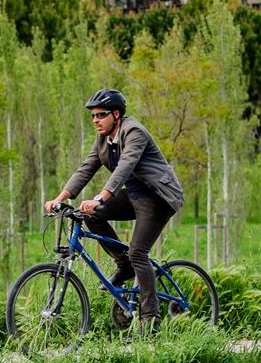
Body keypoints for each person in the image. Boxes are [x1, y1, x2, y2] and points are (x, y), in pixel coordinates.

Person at [46, 89, 184, 328]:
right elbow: (85, 169)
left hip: (158, 198)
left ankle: (151, 318)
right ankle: (125, 264)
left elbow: (125, 167)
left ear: (116, 114)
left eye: (100, 115)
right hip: (133, 196)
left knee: (139, 252)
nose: (95, 120)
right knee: (90, 214)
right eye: (92, 116)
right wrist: (60, 198)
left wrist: (100, 197)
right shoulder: (103, 139)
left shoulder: (134, 132)